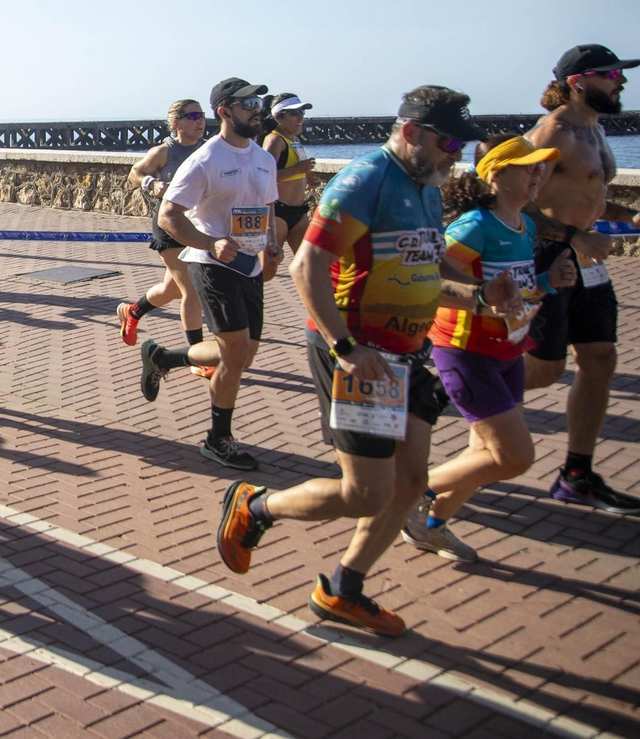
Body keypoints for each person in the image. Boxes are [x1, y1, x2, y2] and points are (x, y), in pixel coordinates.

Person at [216, 86, 521, 636]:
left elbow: (423, 273)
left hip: (406, 355)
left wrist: (479, 296)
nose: (458, 155)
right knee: (366, 492)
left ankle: (342, 590)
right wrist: (345, 348)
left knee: (408, 486)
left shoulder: (427, 184)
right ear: (412, 133)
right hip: (359, 354)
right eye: (450, 142)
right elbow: (306, 266)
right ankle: (256, 508)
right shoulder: (367, 180)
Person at [405, 135, 576, 562]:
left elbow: (515, 293)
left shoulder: (526, 226)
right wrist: (481, 298)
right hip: (464, 351)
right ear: (497, 175)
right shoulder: (474, 226)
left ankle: (432, 525)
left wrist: (548, 283)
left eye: (541, 167)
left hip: (508, 349)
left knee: (484, 453)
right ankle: (410, 493)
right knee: (514, 457)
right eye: (529, 167)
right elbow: (433, 280)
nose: (538, 174)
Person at [522, 44, 640, 513]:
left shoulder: (594, 129)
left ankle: (576, 474)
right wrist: (573, 237)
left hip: (587, 263)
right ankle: (449, 391)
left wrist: (631, 214)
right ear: (580, 81)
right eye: (612, 74)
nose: (620, 82)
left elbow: (589, 194)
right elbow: (511, 201)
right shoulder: (551, 133)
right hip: (549, 256)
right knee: (544, 371)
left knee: (600, 359)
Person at [136, 80, 280, 470]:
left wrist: (272, 247)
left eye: (259, 102)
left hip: (249, 264)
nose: (257, 109)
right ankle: (219, 439)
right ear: (225, 112)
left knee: (244, 356)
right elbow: (169, 215)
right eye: (247, 103)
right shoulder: (204, 159)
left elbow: (266, 210)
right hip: (212, 264)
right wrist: (211, 242)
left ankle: (164, 357)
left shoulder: (264, 159)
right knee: (234, 353)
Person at [116, 99, 207, 360]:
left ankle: (133, 311)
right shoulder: (164, 152)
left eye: (202, 115)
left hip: (199, 225)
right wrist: (150, 183)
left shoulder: (209, 150)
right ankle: (196, 355)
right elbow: (135, 172)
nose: (200, 120)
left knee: (173, 289)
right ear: (176, 122)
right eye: (193, 116)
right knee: (191, 289)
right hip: (169, 224)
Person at [261, 93, 317, 253]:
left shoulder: (294, 140)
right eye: (293, 113)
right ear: (278, 117)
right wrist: (298, 169)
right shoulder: (274, 140)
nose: (300, 117)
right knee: (269, 268)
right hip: (278, 212)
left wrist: (310, 177)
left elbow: (300, 167)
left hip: (299, 211)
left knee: (308, 263)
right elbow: (265, 177)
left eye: (302, 113)